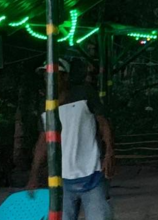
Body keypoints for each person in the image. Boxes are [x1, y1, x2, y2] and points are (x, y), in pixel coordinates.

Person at [28, 58, 117, 220]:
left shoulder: (84, 93)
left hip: (92, 173)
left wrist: (109, 152)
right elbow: (42, 142)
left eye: (53, 75)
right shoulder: (45, 106)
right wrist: (34, 174)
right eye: (46, 76)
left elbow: (104, 123)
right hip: (61, 179)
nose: (48, 80)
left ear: (65, 76)